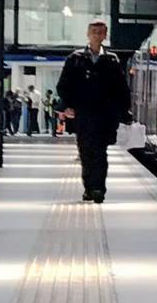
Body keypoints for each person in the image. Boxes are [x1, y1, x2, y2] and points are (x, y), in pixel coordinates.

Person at [54, 20, 131, 203]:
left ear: (105, 35)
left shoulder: (111, 60)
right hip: (82, 114)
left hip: (105, 115)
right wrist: (67, 106)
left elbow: (121, 88)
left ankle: (98, 188)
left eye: (100, 32)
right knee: (86, 151)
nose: (97, 35)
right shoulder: (76, 58)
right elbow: (63, 85)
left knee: (100, 152)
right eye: (94, 31)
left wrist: (123, 111)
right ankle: (89, 187)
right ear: (88, 34)